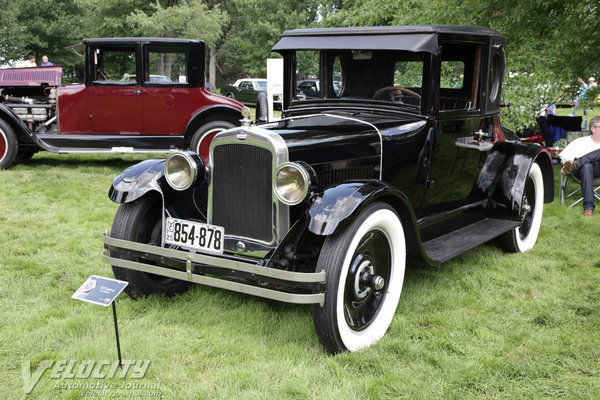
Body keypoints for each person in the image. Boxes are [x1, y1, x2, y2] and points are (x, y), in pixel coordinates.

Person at [560, 116, 600, 216]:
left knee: (586, 162)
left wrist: (576, 163)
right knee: (586, 166)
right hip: (582, 172)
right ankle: (589, 208)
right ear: (593, 128)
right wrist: (564, 163)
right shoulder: (580, 142)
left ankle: (577, 164)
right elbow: (563, 157)